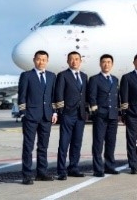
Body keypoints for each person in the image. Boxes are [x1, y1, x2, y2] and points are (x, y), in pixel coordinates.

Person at [18, 50, 57, 185]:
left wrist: (55, 112)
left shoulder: (52, 76)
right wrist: (24, 113)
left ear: (47, 61)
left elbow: (53, 97)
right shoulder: (26, 75)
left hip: (46, 116)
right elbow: (21, 96)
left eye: (44, 59)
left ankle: (42, 173)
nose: (41, 62)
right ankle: (27, 175)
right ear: (34, 60)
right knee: (28, 147)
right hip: (31, 117)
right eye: (39, 59)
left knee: (43, 147)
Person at [55, 51, 88, 180]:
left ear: (80, 61)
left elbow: (85, 95)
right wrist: (61, 112)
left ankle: (73, 167)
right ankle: (61, 170)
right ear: (68, 61)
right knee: (64, 143)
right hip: (68, 114)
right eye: (71, 59)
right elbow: (59, 94)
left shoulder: (84, 76)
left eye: (76, 59)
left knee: (77, 143)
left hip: (80, 115)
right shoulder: (63, 75)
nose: (74, 61)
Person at [88, 54, 121, 177]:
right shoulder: (94, 79)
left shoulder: (115, 79)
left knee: (111, 142)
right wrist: (96, 110)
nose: (106, 64)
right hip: (100, 115)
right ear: (100, 64)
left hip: (113, 115)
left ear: (112, 64)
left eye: (108, 62)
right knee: (98, 143)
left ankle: (109, 166)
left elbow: (116, 97)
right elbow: (92, 96)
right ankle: (98, 169)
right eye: (104, 62)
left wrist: (119, 112)